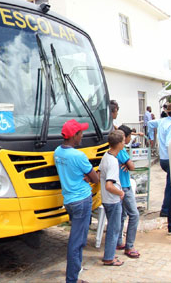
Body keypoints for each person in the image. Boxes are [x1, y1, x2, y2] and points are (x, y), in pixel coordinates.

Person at [54, 119, 99, 283]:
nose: (82, 136)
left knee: (77, 238)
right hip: (81, 200)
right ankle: (72, 279)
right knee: (77, 241)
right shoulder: (78, 156)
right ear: (74, 135)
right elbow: (95, 178)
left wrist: (85, 176)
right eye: (80, 133)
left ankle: (76, 271)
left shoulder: (57, 152)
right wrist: (89, 176)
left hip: (69, 201)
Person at [147, 102, 171, 217]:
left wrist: (150, 136)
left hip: (163, 158)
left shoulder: (162, 121)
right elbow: (169, 143)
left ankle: (170, 207)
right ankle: (166, 209)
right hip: (169, 158)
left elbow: (150, 123)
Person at [99, 130, 125, 266]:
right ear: (119, 143)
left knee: (112, 228)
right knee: (114, 229)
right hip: (112, 199)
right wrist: (120, 193)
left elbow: (99, 175)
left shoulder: (106, 156)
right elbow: (110, 185)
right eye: (124, 141)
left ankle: (110, 255)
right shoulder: (113, 162)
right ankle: (109, 257)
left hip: (106, 198)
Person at [115, 125, 140, 258]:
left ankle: (119, 241)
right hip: (124, 185)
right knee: (134, 215)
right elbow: (132, 166)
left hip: (118, 185)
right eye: (129, 136)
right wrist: (128, 164)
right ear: (124, 138)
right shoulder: (121, 151)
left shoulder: (113, 150)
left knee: (122, 215)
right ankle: (129, 246)